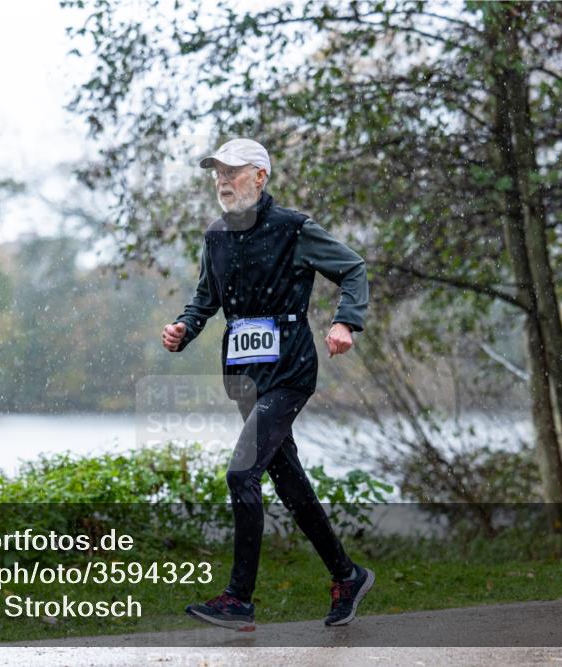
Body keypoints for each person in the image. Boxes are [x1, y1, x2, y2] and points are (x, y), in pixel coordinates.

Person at [161, 138, 374, 631]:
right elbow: (204, 300)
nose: (222, 180)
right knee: (288, 480)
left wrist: (347, 323)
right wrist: (183, 328)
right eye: (217, 172)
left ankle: (239, 599)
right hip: (242, 376)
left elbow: (352, 268)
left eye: (233, 171)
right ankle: (347, 575)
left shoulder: (293, 228)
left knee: (241, 474)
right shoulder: (215, 236)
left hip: (289, 370)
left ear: (260, 176)